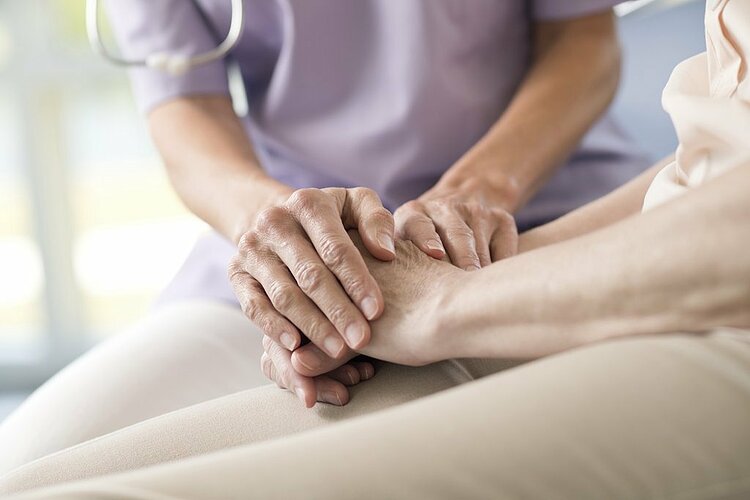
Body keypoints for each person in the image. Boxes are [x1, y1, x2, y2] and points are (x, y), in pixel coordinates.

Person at [0, 1, 748, 497]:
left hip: (529, 211)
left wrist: (475, 209)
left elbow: (582, 44)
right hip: (308, 242)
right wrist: (294, 245)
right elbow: (183, 114)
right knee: (22, 470)